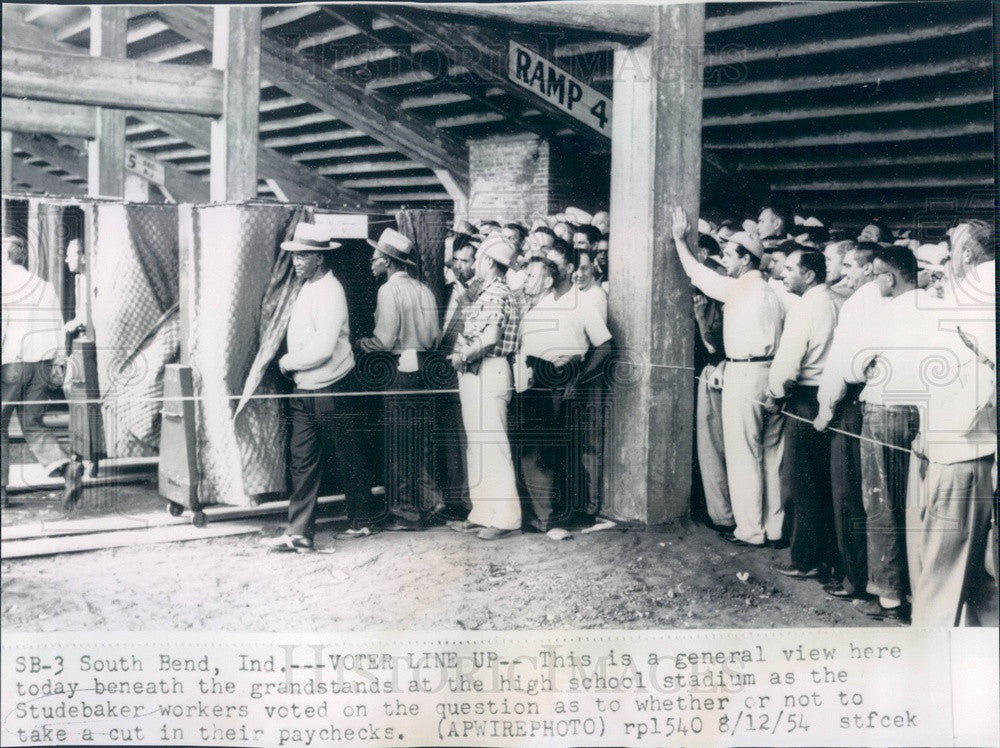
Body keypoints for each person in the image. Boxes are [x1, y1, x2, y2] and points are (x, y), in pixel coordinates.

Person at [670, 207, 786, 548]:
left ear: (746, 260)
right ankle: (774, 528)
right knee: (771, 454)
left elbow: (694, 271)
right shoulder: (774, 291)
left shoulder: (739, 289)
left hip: (744, 373)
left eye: (729, 255)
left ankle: (750, 530)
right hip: (772, 372)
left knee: (743, 453)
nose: (724, 260)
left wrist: (679, 239)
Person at [822, 246, 921, 620]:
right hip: (922, 413)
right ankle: (916, 591)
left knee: (881, 506)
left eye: (878, 274)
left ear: (889, 277)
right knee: (914, 505)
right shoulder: (936, 304)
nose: (874, 281)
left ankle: (890, 598)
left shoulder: (887, 310)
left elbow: (853, 366)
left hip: (885, 411)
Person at [905, 223, 996, 626]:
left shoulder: (971, 297)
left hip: (960, 454)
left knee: (938, 581)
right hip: (977, 452)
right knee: (982, 581)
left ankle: (928, 677)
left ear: (966, 254)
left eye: (950, 246)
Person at [262, 223, 372, 552]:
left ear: (320, 259)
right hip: (306, 389)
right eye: (294, 256)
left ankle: (362, 520)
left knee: (347, 455)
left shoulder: (331, 291)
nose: (295, 262)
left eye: (303, 256)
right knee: (302, 461)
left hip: (332, 387)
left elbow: (324, 349)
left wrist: (287, 363)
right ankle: (300, 533)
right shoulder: (307, 287)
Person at [358, 228, 442, 531]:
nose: (371, 261)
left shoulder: (388, 291)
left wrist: (362, 343)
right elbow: (435, 337)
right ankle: (433, 501)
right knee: (420, 440)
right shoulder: (425, 290)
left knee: (398, 442)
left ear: (389, 262)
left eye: (375, 257)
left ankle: (406, 512)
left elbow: (384, 338)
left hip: (398, 372)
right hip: (425, 369)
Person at [764, 250, 840, 579]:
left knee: (800, 482)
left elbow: (789, 359)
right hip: (835, 397)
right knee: (826, 483)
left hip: (807, 398)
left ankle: (804, 558)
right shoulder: (838, 300)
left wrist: (775, 393)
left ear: (809, 276)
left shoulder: (806, 307)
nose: (784, 273)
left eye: (791, 269)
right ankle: (826, 559)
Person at [814, 242, 882, 601]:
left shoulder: (859, 302)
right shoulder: (887, 299)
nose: (847, 273)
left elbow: (841, 363)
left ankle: (855, 579)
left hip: (851, 406)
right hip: (873, 402)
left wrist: (826, 410)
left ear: (869, 268)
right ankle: (871, 577)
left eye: (853, 266)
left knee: (848, 495)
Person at [447, 234, 522, 540]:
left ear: (489, 261)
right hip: (477, 372)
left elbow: (490, 338)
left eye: (478, 257)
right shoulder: (487, 292)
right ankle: (482, 513)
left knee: (493, 446)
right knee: (478, 446)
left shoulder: (496, 293)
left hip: (490, 371)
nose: (475, 262)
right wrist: (464, 347)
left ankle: (505, 519)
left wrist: (463, 353)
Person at [1, 235, 83, 510]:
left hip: (11, 364)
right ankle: (66, 467)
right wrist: (58, 362)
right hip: (43, 366)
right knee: (33, 423)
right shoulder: (45, 286)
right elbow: (58, 326)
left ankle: (0, 492)